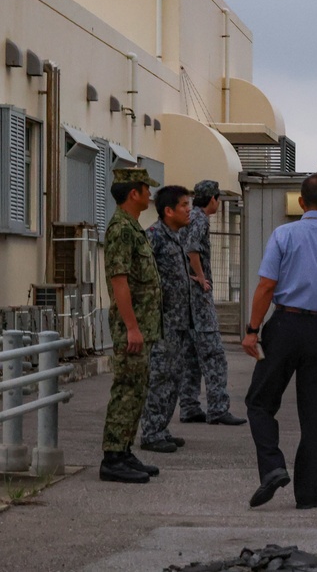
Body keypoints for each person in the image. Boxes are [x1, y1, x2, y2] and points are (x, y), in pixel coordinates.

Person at [241, 173, 317, 509]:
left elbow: (266, 286)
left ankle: (273, 467)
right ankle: (308, 494)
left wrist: (252, 330)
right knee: (316, 414)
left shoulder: (283, 235)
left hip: (283, 325)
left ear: (300, 202)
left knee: (260, 402)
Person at [100, 168, 163, 484]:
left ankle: (123, 450)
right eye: (145, 189)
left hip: (143, 325)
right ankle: (112, 456)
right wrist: (132, 327)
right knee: (126, 389)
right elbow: (119, 281)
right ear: (133, 193)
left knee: (137, 390)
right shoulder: (121, 230)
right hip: (133, 326)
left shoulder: (132, 227)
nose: (149, 194)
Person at [178, 179, 246, 426]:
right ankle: (218, 408)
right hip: (198, 299)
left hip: (185, 299)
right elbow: (192, 248)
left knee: (191, 356)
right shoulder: (200, 219)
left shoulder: (188, 217)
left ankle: (189, 406)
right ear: (213, 199)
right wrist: (202, 277)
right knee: (214, 355)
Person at [139, 186, 194, 454]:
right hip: (162, 323)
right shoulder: (154, 236)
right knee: (160, 377)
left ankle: (162, 427)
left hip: (179, 321)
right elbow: (142, 277)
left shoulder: (177, 236)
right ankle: (150, 432)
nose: (189, 209)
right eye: (184, 205)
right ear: (168, 210)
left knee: (175, 376)